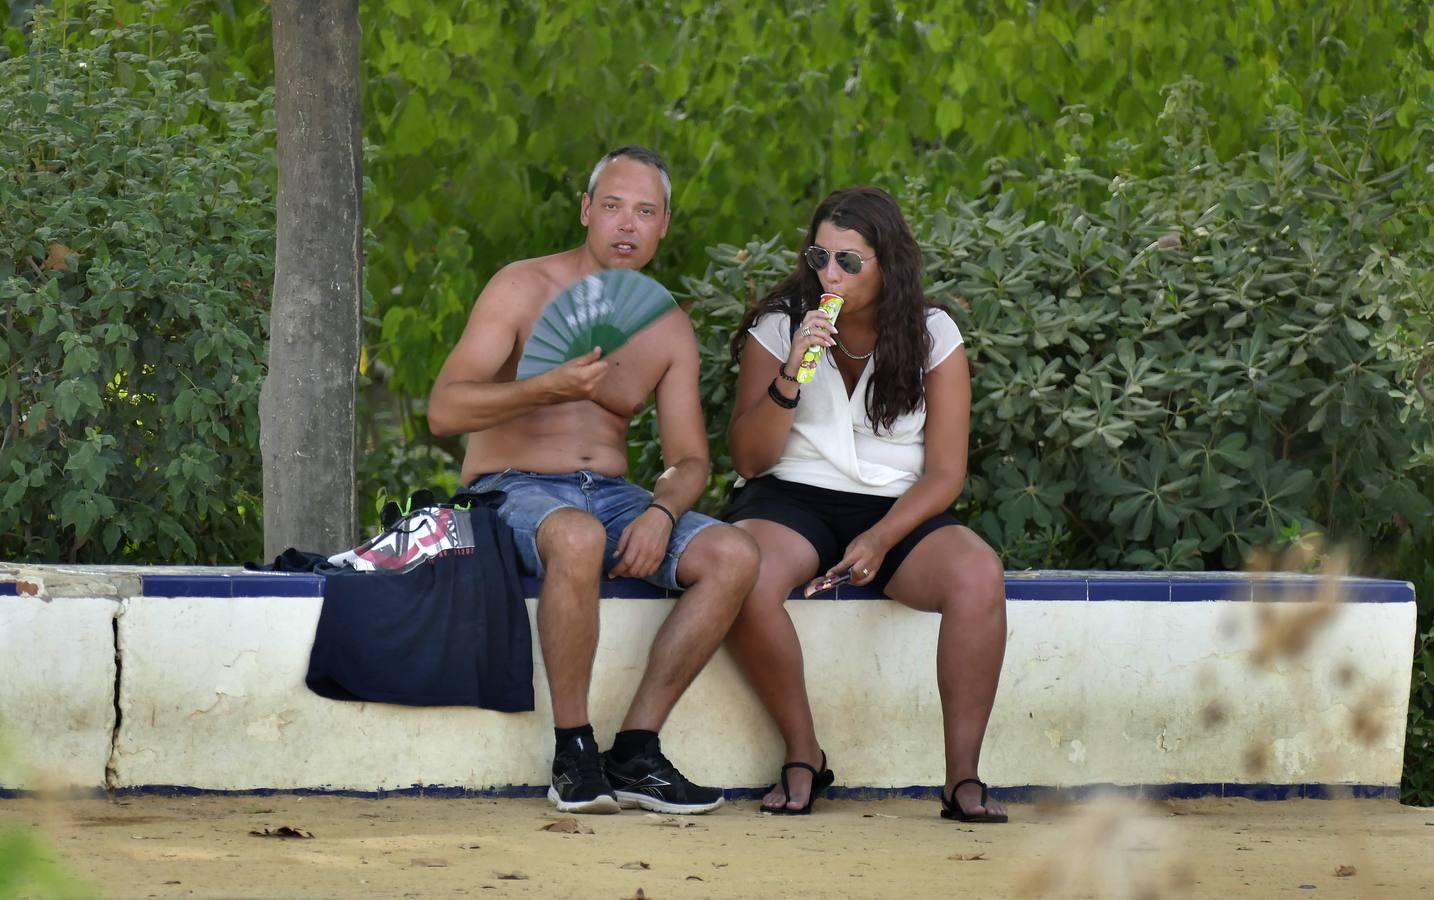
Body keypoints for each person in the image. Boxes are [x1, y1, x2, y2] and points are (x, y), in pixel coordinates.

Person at [428, 145, 758, 815]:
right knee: (575, 537)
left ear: (664, 224)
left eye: (644, 211)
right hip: (509, 486)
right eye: (611, 206)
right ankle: (573, 753)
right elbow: (445, 410)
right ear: (586, 211)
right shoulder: (521, 287)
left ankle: (636, 750)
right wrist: (546, 385)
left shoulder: (666, 327)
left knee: (733, 554)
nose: (626, 225)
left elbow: (689, 459)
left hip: (612, 494)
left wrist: (663, 510)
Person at [722, 186, 1009, 822]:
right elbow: (749, 459)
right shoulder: (779, 326)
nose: (829, 274)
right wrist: (792, 370)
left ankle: (963, 778)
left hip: (899, 503)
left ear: (888, 264)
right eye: (820, 256)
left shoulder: (933, 334)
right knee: (744, 576)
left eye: (849, 262)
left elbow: (945, 473)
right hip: (791, 493)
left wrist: (881, 537)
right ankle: (804, 755)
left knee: (977, 573)